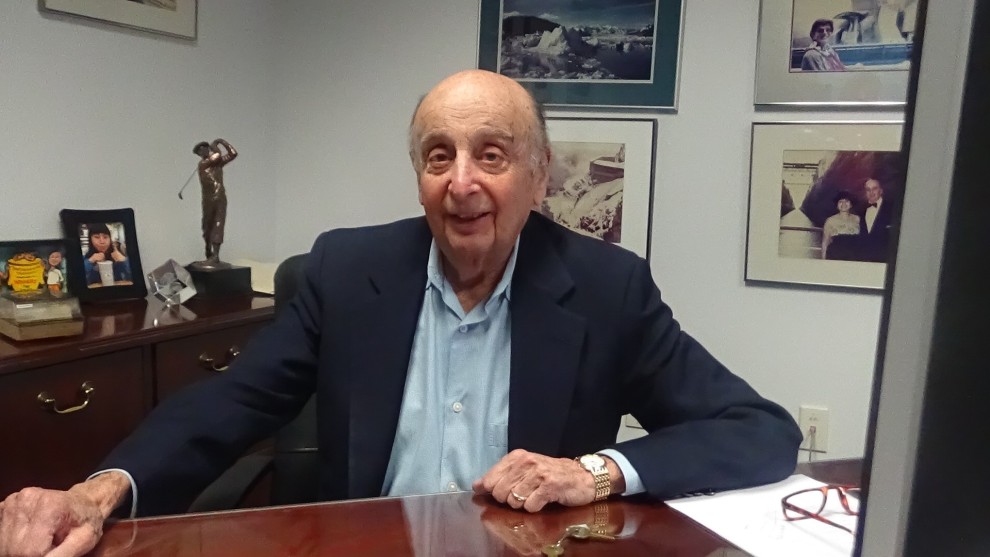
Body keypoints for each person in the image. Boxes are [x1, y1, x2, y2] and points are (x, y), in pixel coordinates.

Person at [0, 70, 801, 557]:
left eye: (491, 154)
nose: (462, 182)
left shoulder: (605, 288)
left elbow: (757, 429)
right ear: (419, 176)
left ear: (539, 176)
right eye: (438, 155)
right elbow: (230, 402)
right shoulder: (349, 272)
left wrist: (592, 471)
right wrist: (98, 490)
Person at [192, 138, 237, 266]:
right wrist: (215, 144)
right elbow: (217, 155)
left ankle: (215, 256)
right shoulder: (204, 163)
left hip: (219, 197)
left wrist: (222, 142)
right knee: (207, 225)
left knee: (218, 224)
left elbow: (233, 153)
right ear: (199, 154)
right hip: (208, 199)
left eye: (206, 148)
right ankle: (209, 253)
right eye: (201, 150)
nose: (204, 151)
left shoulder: (216, 163)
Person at [859, 177, 894, 262]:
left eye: (874, 188)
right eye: (868, 189)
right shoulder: (859, 211)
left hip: (884, 260)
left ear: (881, 191)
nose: (871, 192)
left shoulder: (892, 209)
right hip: (863, 260)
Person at [821, 190, 861, 260]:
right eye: (840, 202)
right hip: (835, 256)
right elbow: (825, 242)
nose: (843, 204)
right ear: (837, 205)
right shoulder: (830, 221)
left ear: (851, 204)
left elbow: (862, 240)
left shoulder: (857, 219)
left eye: (847, 201)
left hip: (854, 256)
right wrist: (823, 260)